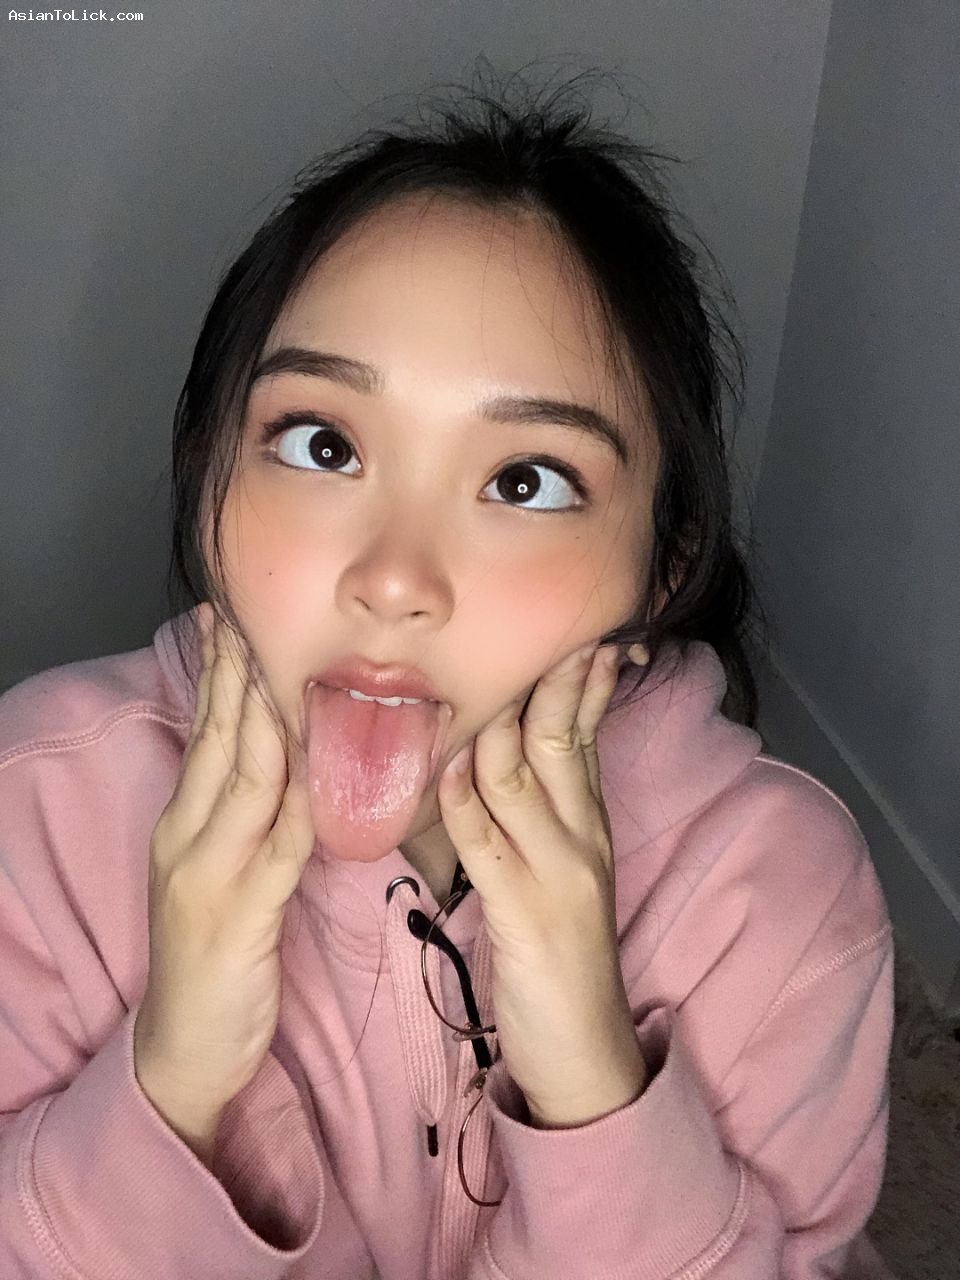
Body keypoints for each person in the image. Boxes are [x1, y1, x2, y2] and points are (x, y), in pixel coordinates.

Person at [0, 74, 897, 1279]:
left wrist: (595, 1089)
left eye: (526, 480)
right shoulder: (34, 812)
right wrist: (172, 1079)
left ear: (664, 562)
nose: (394, 578)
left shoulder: (779, 895)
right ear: (210, 470)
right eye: (323, 444)